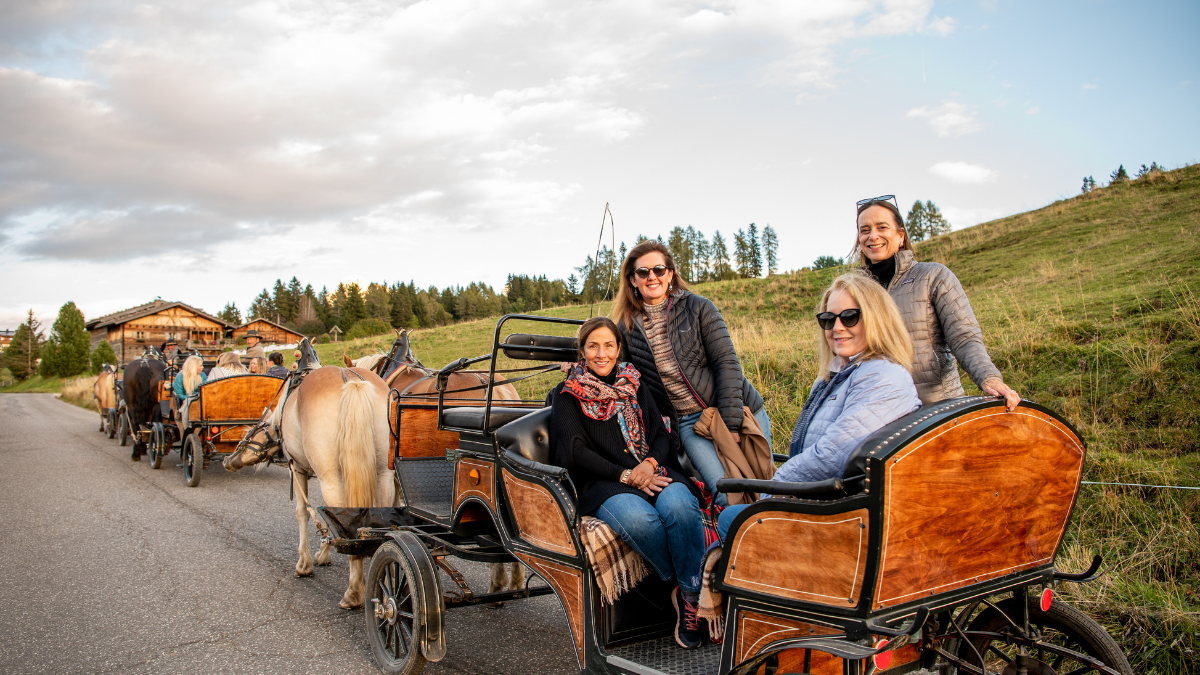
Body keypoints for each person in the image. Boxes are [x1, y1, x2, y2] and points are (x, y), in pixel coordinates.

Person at [717, 271, 922, 541]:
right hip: (825, 498)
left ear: (876, 319)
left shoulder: (883, 378)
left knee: (731, 517)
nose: (836, 328)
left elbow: (831, 456)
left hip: (842, 513)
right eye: (828, 319)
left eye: (849, 317)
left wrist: (772, 492)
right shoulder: (835, 376)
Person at [552, 317, 708, 649]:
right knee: (642, 521)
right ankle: (683, 585)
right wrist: (626, 475)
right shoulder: (567, 395)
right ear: (582, 351)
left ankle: (690, 596)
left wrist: (650, 463)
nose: (601, 353)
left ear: (619, 348)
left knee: (680, 507)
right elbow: (575, 451)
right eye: (593, 346)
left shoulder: (634, 385)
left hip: (654, 471)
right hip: (607, 482)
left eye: (609, 345)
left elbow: (662, 436)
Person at [611, 240, 771, 506]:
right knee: (725, 491)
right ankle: (735, 543)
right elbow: (618, 375)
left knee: (763, 483)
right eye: (643, 272)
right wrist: (578, 367)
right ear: (633, 280)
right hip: (688, 423)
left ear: (670, 274)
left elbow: (727, 363)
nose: (652, 276)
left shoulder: (698, 307)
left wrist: (730, 423)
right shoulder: (626, 328)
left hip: (736, 408)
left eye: (659, 269)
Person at [853, 195, 1020, 411]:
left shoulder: (934, 276)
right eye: (865, 230)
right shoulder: (854, 291)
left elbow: (964, 337)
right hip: (880, 413)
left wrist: (989, 378)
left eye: (881, 227)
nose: (872, 236)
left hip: (937, 408)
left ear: (900, 236)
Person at [172, 355, 206, 427]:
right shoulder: (180, 377)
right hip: (185, 402)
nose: (202, 367)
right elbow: (179, 395)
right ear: (193, 367)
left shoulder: (203, 376)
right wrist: (193, 397)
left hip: (200, 401)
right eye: (200, 366)